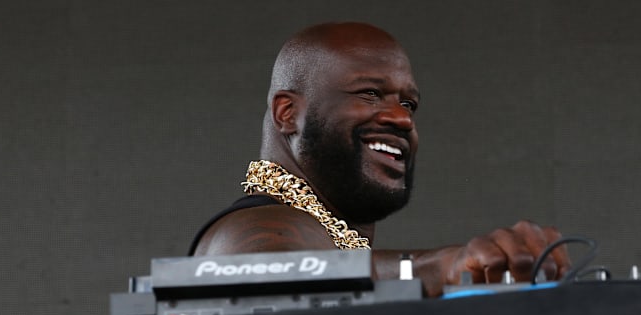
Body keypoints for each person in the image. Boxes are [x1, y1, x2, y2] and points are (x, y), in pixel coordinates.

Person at [189, 22, 569, 297]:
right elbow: (271, 275)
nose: (403, 119)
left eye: (408, 104)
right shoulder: (250, 232)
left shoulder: (327, 234)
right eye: (370, 93)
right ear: (287, 113)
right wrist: (441, 268)